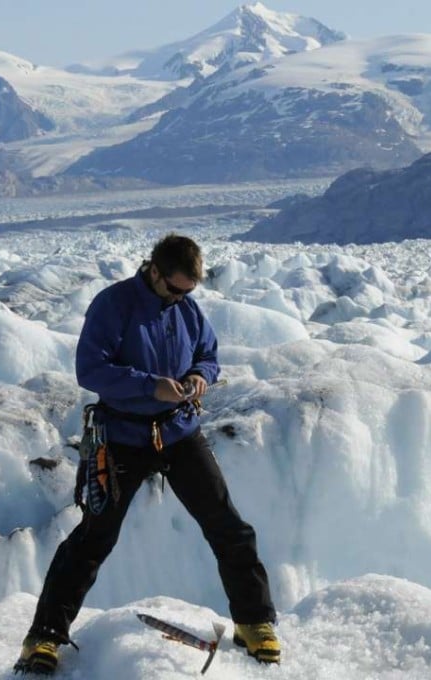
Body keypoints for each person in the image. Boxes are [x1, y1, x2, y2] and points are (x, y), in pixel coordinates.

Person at [14, 234, 279, 675]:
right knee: (93, 539)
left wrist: (198, 376)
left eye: (188, 291)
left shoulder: (187, 309)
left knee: (228, 527)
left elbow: (209, 356)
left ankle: (254, 623)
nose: (180, 297)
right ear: (154, 270)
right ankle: (43, 637)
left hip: (179, 431)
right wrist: (147, 385)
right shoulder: (113, 305)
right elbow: (90, 368)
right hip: (123, 436)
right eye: (175, 288)